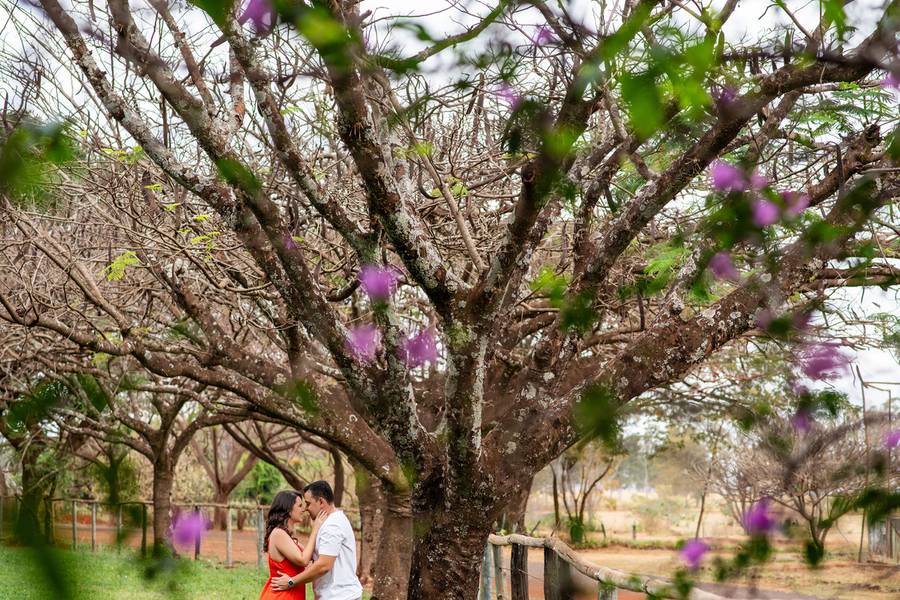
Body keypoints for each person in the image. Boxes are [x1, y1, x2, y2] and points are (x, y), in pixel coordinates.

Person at [271, 481, 363, 600]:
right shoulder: (329, 522)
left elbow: (323, 565)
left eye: (308, 504)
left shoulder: (332, 525)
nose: (306, 509)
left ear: (321, 502)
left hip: (339, 596)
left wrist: (291, 582)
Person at [258, 490, 324, 600]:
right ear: (288, 510)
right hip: (282, 595)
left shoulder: (288, 537)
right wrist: (315, 529)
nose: (304, 509)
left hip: (291, 594)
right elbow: (303, 560)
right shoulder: (279, 533)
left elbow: (310, 555)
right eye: (299, 506)